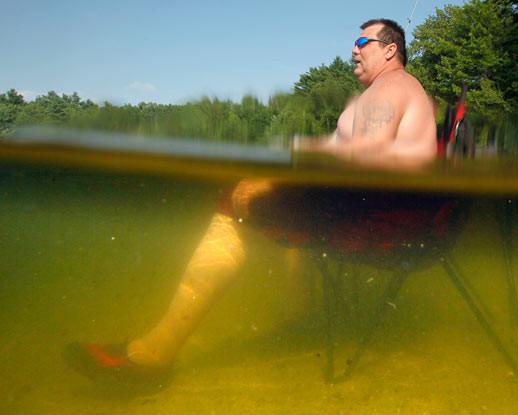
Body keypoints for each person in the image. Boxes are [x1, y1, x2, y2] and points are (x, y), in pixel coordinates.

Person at [65, 18, 438, 385]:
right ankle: (300, 313)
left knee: (238, 198)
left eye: (362, 43)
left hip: (380, 221)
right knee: (271, 191)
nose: (352, 51)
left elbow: (365, 156)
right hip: (385, 213)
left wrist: (283, 175)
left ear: (390, 50)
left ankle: (153, 356)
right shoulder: (392, 90)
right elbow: (344, 148)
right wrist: (289, 155)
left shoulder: (390, 86)